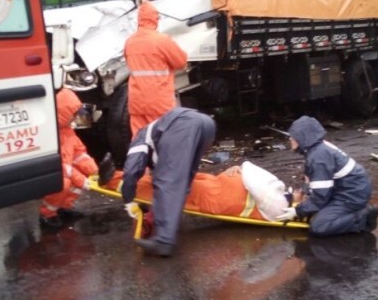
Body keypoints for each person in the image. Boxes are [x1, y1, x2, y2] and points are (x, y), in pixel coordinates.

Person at [120, 107, 216, 257]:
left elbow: (132, 170)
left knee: (167, 180)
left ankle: (164, 241)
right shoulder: (158, 135)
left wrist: (128, 200)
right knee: (183, 181)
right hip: (206, 124)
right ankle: (170, 227)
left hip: (184, 124)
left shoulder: (140, 138)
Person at [275, 116, 378, 236]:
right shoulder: (318, 149)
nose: (290, 139)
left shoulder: (318, 158)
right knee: (315, 211)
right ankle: (355, 212)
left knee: (318, 227)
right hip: (349, 188)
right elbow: (314, 181)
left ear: (303, 138)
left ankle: (362, 217)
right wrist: (305, 192)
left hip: (351, 194)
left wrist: (298, 211)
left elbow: (321, 196)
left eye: (293, 136)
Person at [99, 161, 292, 223]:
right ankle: (117, 175)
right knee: (171, 178)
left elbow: (254, 182)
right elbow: (253, 176)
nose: (301, 192)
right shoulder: (281, 191)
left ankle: (113, 181)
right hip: (218, 184)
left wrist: (243, 169)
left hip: (218, 197)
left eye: (303, 194)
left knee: (169, 186)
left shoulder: (281, 207)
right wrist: (237, 168)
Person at [39, 88, 112, 229]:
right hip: (51, 173)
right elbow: (61, 168)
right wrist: (83, 181)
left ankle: (63, 207)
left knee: (76, 177)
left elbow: (79, 154)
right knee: (63, 182)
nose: (75, 117)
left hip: (63, 170)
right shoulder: (50, 134)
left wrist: (95, 172)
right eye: (73, 114)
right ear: (64, 113)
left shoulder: (67, 130)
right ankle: (47, 214)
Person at [124, 1, 188, 136]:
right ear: (155, 18)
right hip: (159, 102)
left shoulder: (130, 42)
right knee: (163, 141)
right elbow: (181, 62)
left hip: (137, 102)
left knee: (139, 142)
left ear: (139, 20)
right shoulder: (162, 40)